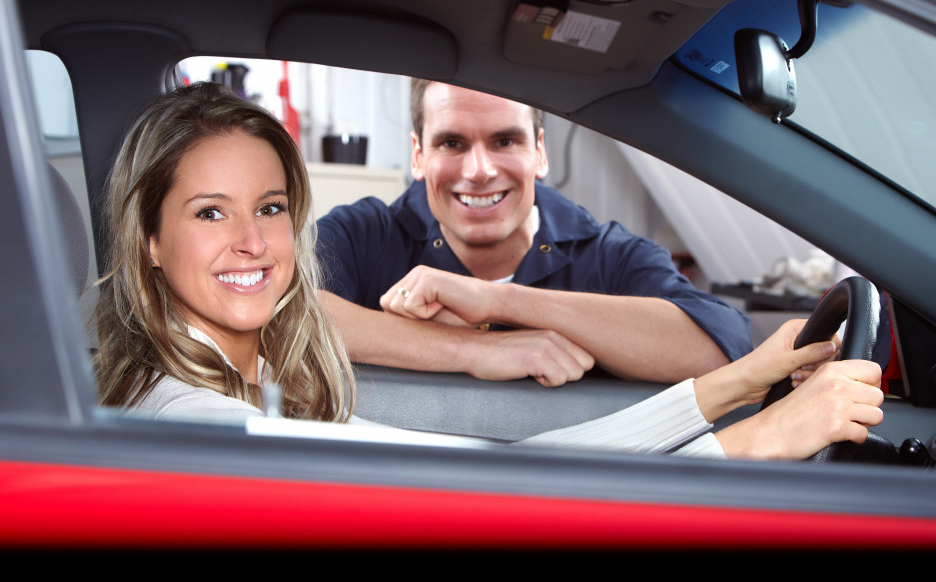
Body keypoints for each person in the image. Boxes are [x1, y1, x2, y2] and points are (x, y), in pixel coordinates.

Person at [93, 82, 884, 461]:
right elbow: (505, 493)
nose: (253, 242)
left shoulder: (254, 384)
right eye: (208, 212)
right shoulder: (201, 429)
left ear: (541, 151)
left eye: (269, 208)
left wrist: (742, 385)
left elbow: (502, 473)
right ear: (149, 242)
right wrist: (758, 441)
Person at [315, 80, 751, 386]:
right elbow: (280, 310)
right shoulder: (364, 234)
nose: (480, 170)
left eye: (505, 141)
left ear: (539, 153)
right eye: (452, 143)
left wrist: (497, 301)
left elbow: (719, 345)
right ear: (418, 155)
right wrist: (474, 350)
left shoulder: (609, 255)